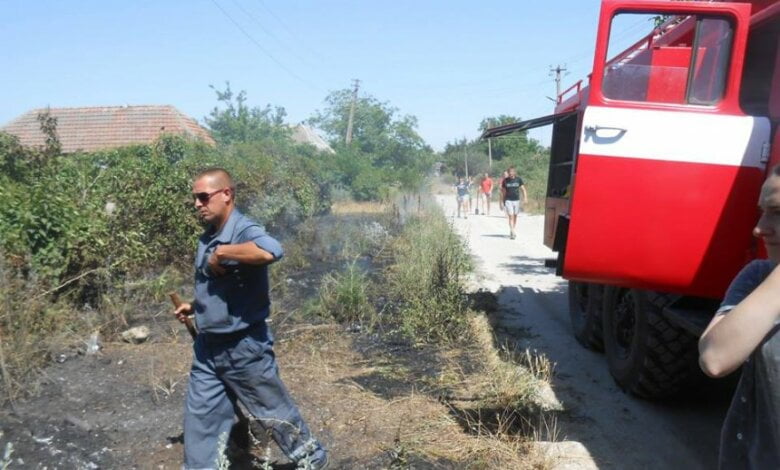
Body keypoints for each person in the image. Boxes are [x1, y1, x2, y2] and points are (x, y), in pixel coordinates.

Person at [174, 168, 328, 470]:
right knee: (201, 419)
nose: (197, 204)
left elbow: (271, 251)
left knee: (273, 412)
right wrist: (194, 307)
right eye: (195, 198)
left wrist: (222, 253)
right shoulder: (207, 237)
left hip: (243, 348)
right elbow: (217, 288)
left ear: (226, 194)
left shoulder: (243, 230)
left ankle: (313, 459)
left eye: (203, 197)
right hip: (207, 348)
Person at [699, 166, 780, 469]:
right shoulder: (758, 277)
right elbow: (715, 358)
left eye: (778, 213)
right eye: (762, 212)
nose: (759, 228)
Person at [500, 167, 528, 239]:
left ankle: (512, 229)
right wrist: (503, 201)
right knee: (511, 216)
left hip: (516, 200)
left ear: (514, 172)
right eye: (509, 172)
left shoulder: (518, 179)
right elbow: (503, 192)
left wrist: (525, 198)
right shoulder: (505, 181)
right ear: (508, 173)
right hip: (508, 200)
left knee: (515, 216)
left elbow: (523, 189)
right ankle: (512, 231)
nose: (511, 173)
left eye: (512, 172)